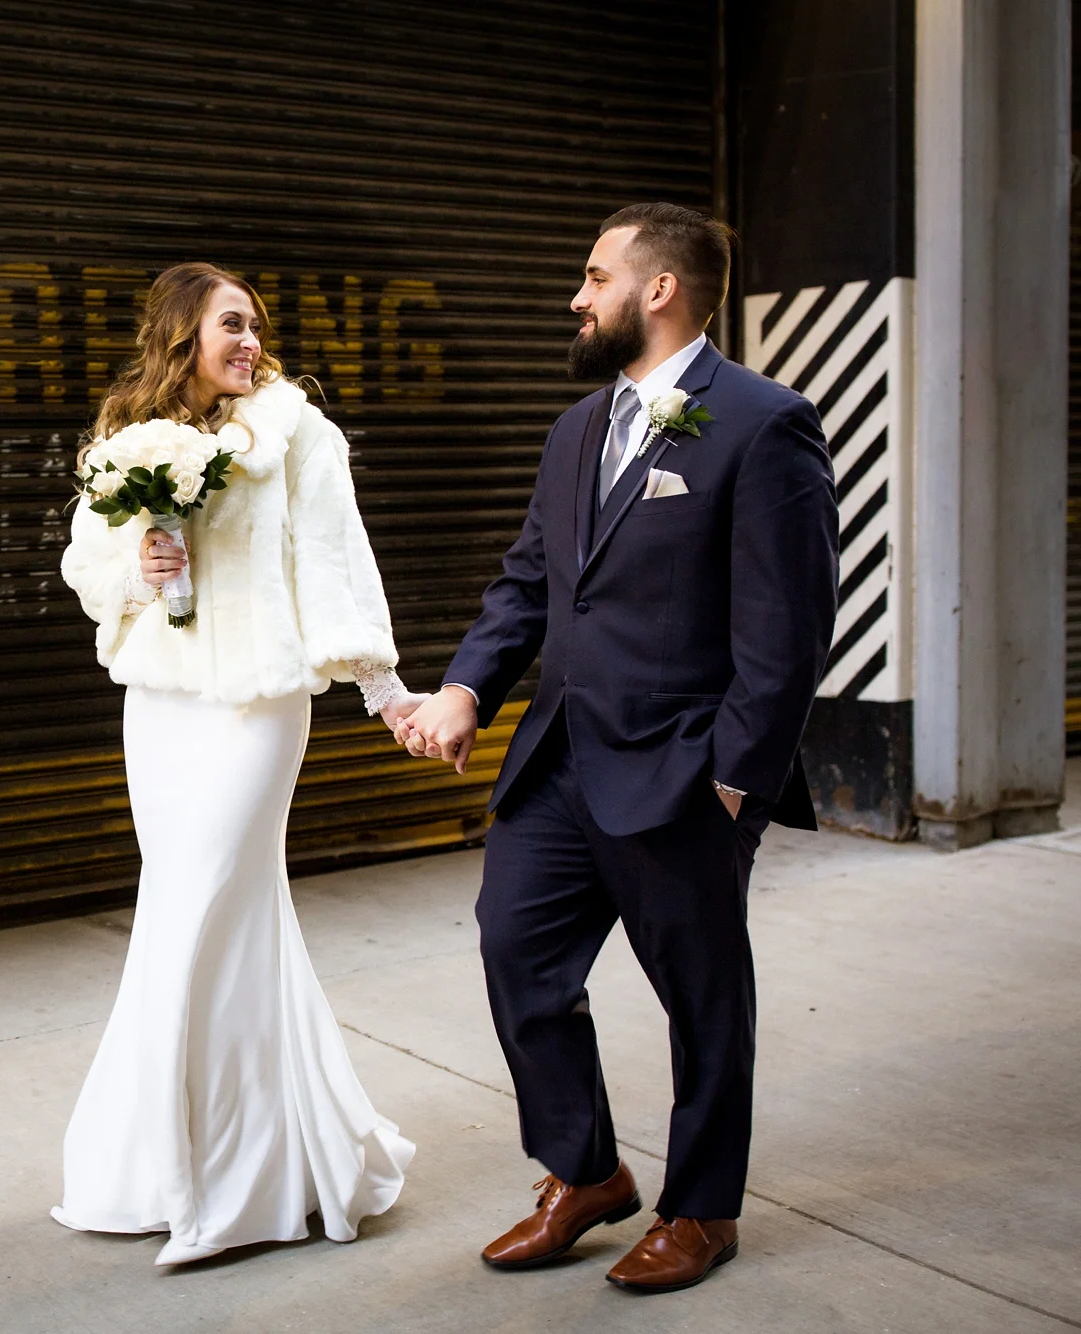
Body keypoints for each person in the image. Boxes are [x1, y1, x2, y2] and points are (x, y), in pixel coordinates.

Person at [397, 203, 837, 1293]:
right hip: (558, 758)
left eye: (595, 277)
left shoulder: (764, 423)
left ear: (659, 290)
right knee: (516, 950)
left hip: (682, 772)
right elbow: (530, 582)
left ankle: (701, 1208)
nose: (576, 297)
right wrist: (465, 688)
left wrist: (733, 779)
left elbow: (786, 628)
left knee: (701, 997)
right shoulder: (576, 429)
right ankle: (586, 1172)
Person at [53, 261, 420, 1266]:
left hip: (258, 707)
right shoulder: (130, 439)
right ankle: (183, 1163)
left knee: (207, 904)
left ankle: (223, 1188)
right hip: (162, 706)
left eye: (255, 325)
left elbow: (334, 563)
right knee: (195, 912)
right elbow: (86, 563)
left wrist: (384, 690)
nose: (249, 342)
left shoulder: (298, 432)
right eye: (230, 324)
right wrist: (141, 569)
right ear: (181, 334)